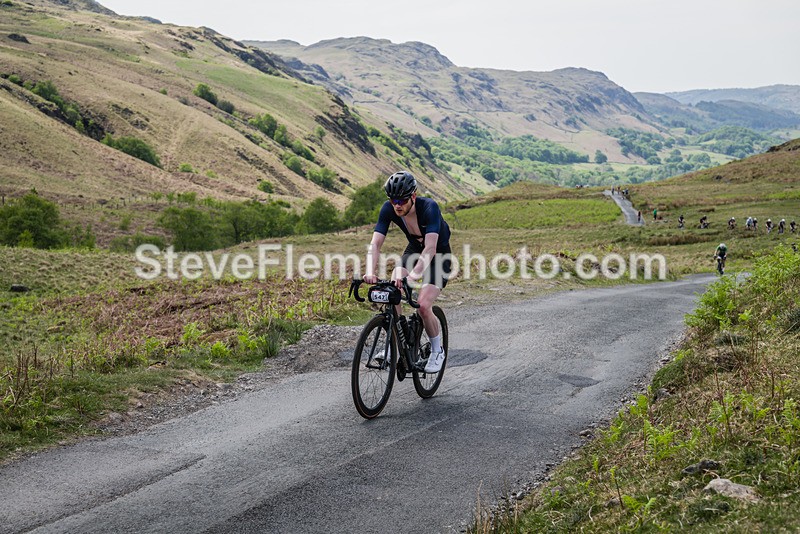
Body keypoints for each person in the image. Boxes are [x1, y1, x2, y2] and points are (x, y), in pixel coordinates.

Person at [363, 171, 452, 373]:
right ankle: (394, 345)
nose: (397, 205)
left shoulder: (429, 207)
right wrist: (369, 272)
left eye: (402, 200)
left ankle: (437, 350)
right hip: (414, 249)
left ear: (413, 196)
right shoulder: (389, 209)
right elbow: (375, 244)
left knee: (423, 305)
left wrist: (412, 277)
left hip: (438, 254)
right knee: (393, 288)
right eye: (393, 200)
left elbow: (430, 249)